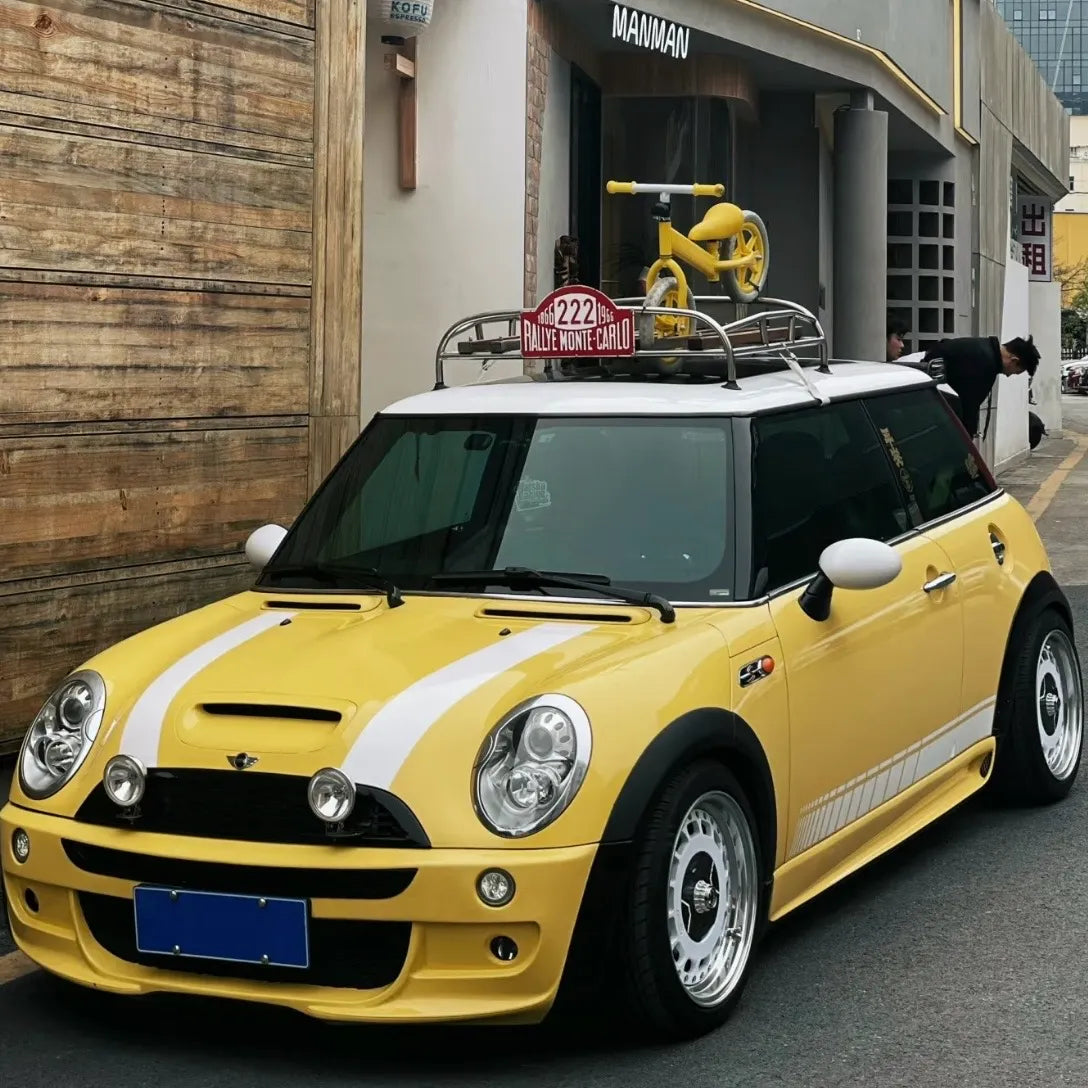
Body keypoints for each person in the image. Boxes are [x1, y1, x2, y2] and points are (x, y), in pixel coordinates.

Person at [922, 334, 1041, 439]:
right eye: (1015, 371)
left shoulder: (981, 345)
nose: (1009, 375)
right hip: (935, 417)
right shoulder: (986, 365)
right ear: (1014, 360)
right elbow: (969, 405)